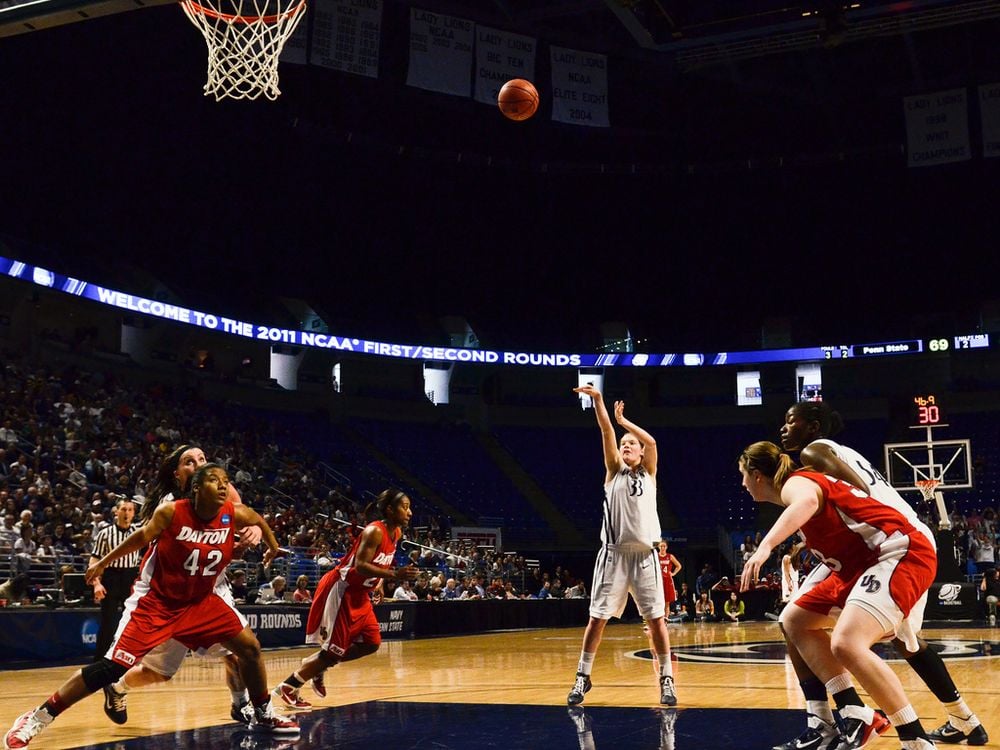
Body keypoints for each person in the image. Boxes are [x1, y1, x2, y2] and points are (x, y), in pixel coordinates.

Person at [3, 464, 297, 749]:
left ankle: (263, 712)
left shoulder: (232, 513)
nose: (223, 485)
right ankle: (35, 718)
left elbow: (257, 518)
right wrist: (103, 563)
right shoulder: (171, 511)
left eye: (226, 479)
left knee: (249, 648)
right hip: (158, 602)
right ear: (196, 488)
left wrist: (271, 545)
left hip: (200, 602)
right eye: (214, 480)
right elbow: (140, 537)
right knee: (112, 668)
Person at [777, 401, 988, 749]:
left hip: (891, 541)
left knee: (873, 639)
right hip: (887, 541)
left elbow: (858, 495)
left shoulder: (814, 452)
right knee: (905, 642)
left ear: (813, 427)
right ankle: (965, 720)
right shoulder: (839, 452)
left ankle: (853, 720)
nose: (784, 428)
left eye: (791, 421)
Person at [738, 441, 936, 750]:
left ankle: (916, 739)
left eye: (743, 475)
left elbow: (803, 504)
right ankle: (855, 710)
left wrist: (764, 548)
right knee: (794, 620)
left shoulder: (796, 483)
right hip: (862, 565)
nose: (742, 484)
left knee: (846, 643)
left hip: (900, 551)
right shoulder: (801, 488)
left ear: (757, 474)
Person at [101, 444, 263, 726]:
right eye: (190, 461)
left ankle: (241, 704)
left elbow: (246, 516)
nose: (199, 464)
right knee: (160, 673)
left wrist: (256, 529)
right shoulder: (169, 506)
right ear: (178, 475)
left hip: (211, 589)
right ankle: (117, 688)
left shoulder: (222, 489)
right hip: (174, 593)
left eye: (202, 458)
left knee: (238, 654)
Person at [565, 384, 675, 707]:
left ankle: (666, 679)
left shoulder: (649, 474)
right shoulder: (613, 472)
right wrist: (599, 402)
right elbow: (604, 430)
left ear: (640, 454)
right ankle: (582, 677)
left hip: (645, 556)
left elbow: (652, 441)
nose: (626, 445)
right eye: (623, 443)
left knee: (656, 621)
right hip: (612, 556)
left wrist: (626, 422)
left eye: (631, 445)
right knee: (596, 618)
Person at [270, 488, 419, 711]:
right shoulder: (374, 531)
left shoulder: (395, 533)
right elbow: (360, 565)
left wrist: (378, 582)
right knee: (332, 652)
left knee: (371, 643)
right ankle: (289, 686)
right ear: (390, 509)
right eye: (405, 507)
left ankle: (317, 666)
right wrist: (393, 576)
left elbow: (380, 563)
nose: (410, 513)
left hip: (361, 594)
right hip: (343, 590)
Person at [89, 497, 139, 662]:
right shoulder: (105, 533)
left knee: (131, 622)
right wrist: (96, 583)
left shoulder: (138, 533)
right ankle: (99, 661)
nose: (127, 513)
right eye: (123, 509)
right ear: (116, 512)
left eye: (130, 510)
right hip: (110, 577)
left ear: (134, 513)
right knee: (108, 623)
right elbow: (94, 560)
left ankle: (126, 659)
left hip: (130, 577)